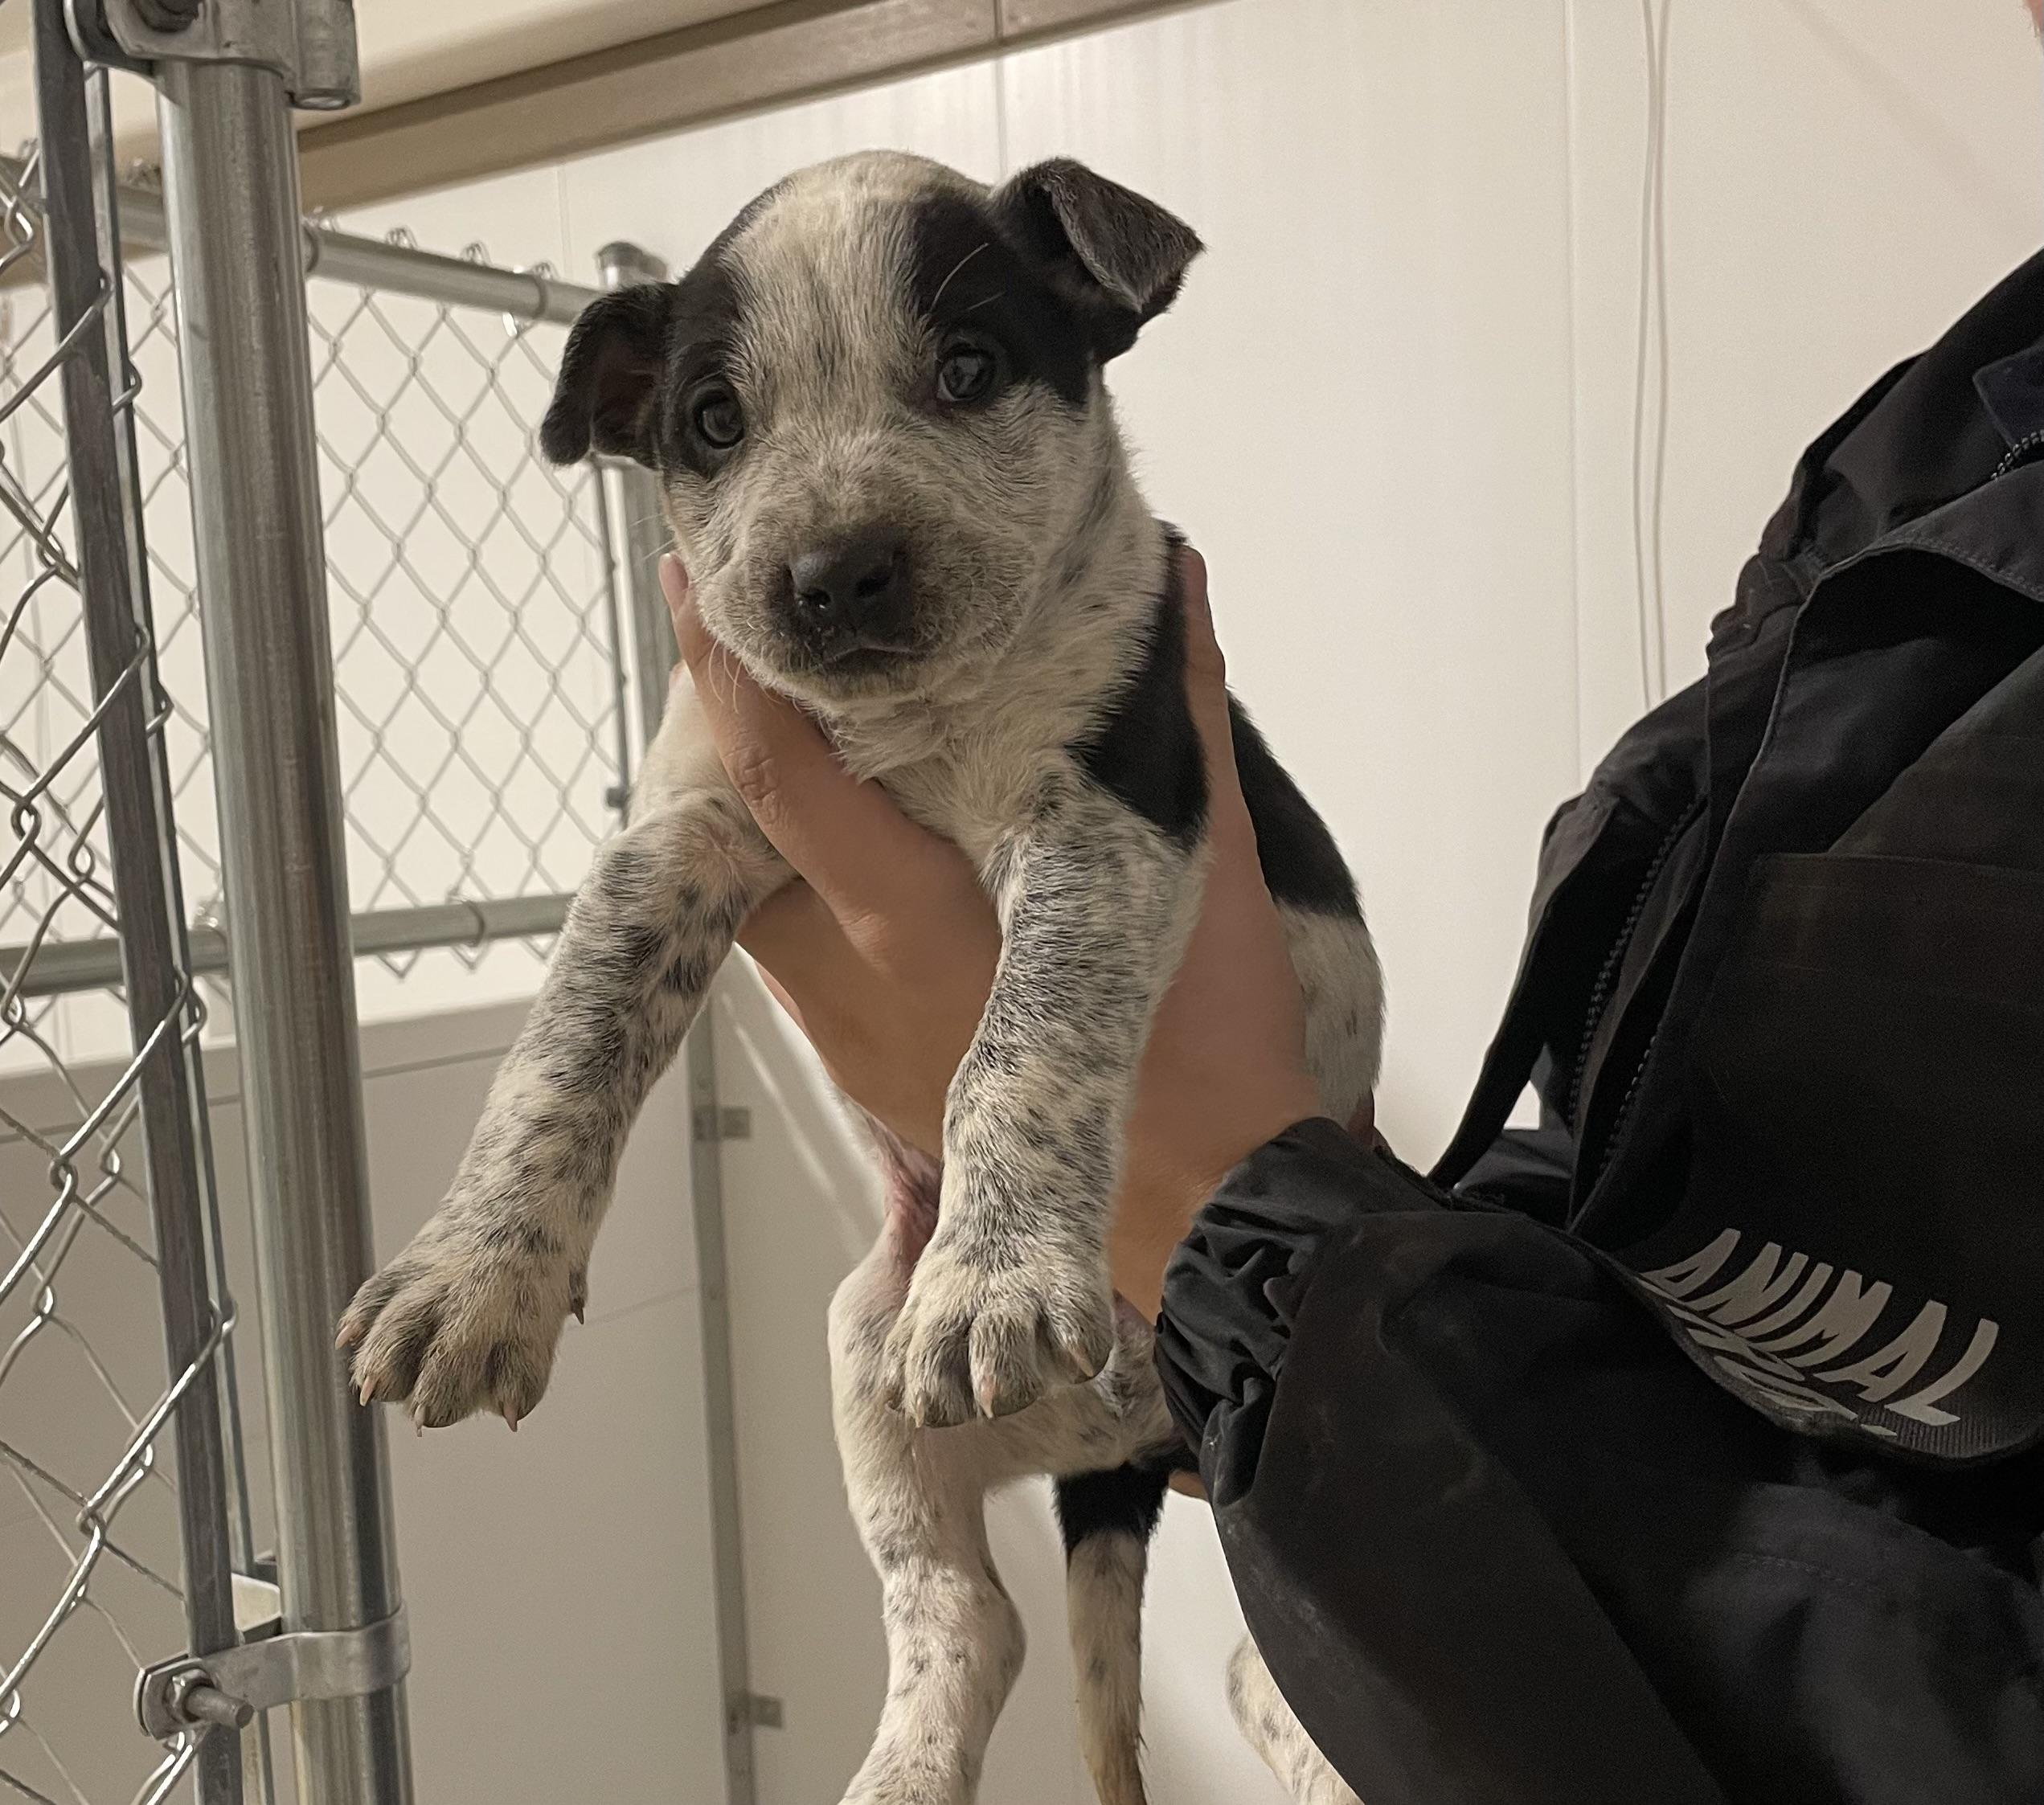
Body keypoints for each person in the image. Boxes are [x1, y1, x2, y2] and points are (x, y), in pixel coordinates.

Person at [653, 95, 2044, 1805]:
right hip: (1408, 1436)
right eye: (725, 424)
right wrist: (1355, 1265)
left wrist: (1233, 1216)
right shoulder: (1935, 437)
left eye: (956, 380)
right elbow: (1674, 1202)